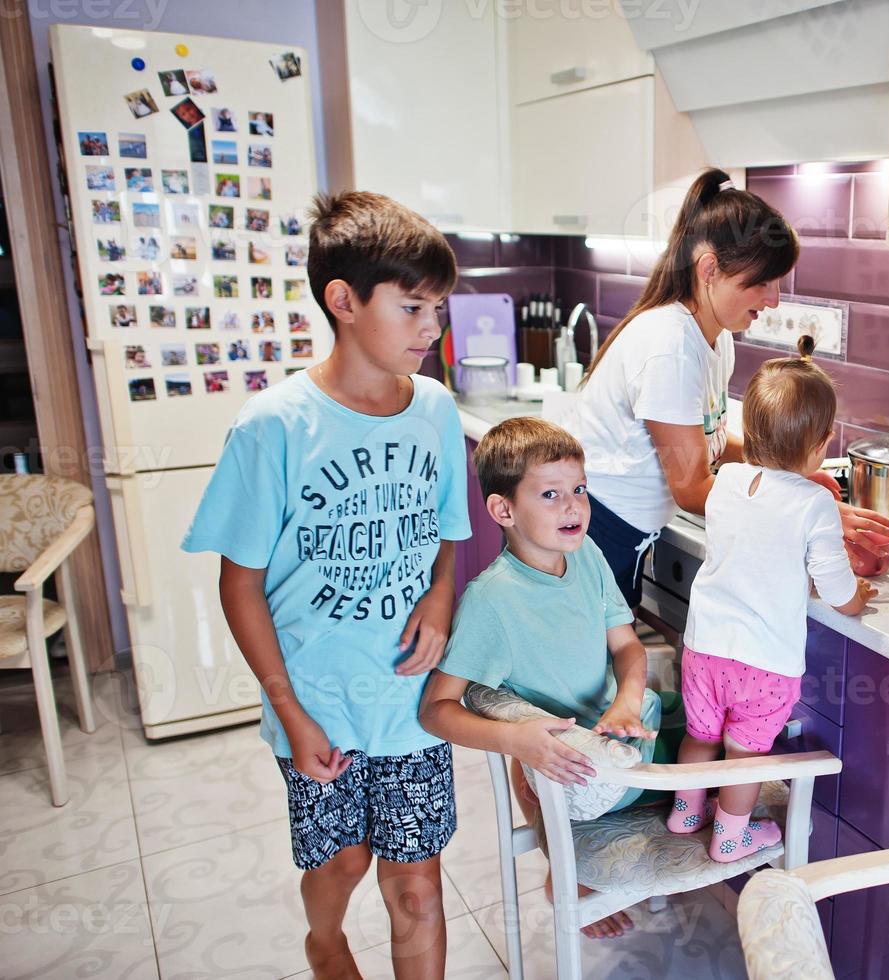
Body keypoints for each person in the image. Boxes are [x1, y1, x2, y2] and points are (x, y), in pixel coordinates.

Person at [182, 190, 468, 980]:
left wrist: (441, 598)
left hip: (413, 702)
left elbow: (449, 534)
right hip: (318, 703)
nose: (431, 328)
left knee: (416, 886)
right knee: (339, 865)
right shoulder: (273, 425)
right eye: (411, 307)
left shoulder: (438, 412)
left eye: (437, 308)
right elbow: (238, 585)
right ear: (343, 302)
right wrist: (287, 709)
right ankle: (324, 942)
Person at [568, 168, 889, 609]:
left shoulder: (715, 338)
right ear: (709, 269)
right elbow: (691, 486)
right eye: (761, 282)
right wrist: (801, 509)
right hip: (589, 532)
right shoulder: (670, 346)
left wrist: (784, 468)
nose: (774, 298)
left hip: (624, 532)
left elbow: (710, 441)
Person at [420, 416, 680, 939]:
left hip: (624, 726)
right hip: (582, 767)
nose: (574, 506)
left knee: (711, 726)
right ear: (503, 509)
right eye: (551, 494)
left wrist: (626, 703)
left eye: (579, 489)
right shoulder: (492, 601)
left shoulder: (586, 556)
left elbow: (627, 647)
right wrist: (516, 740)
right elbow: (435, 710)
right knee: (722, 768)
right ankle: (569, 868)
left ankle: (584, 857)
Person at [666, 338, 876, 861]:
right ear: (823, 441)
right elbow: (836, 589)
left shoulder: (727, 482)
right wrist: (858, 598)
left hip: (704, 649)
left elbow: (756, 552)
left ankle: (687, 812)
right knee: (745, 754)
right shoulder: (815, 502)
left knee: (700, 734)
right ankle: (731, 837)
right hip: (764, 664)